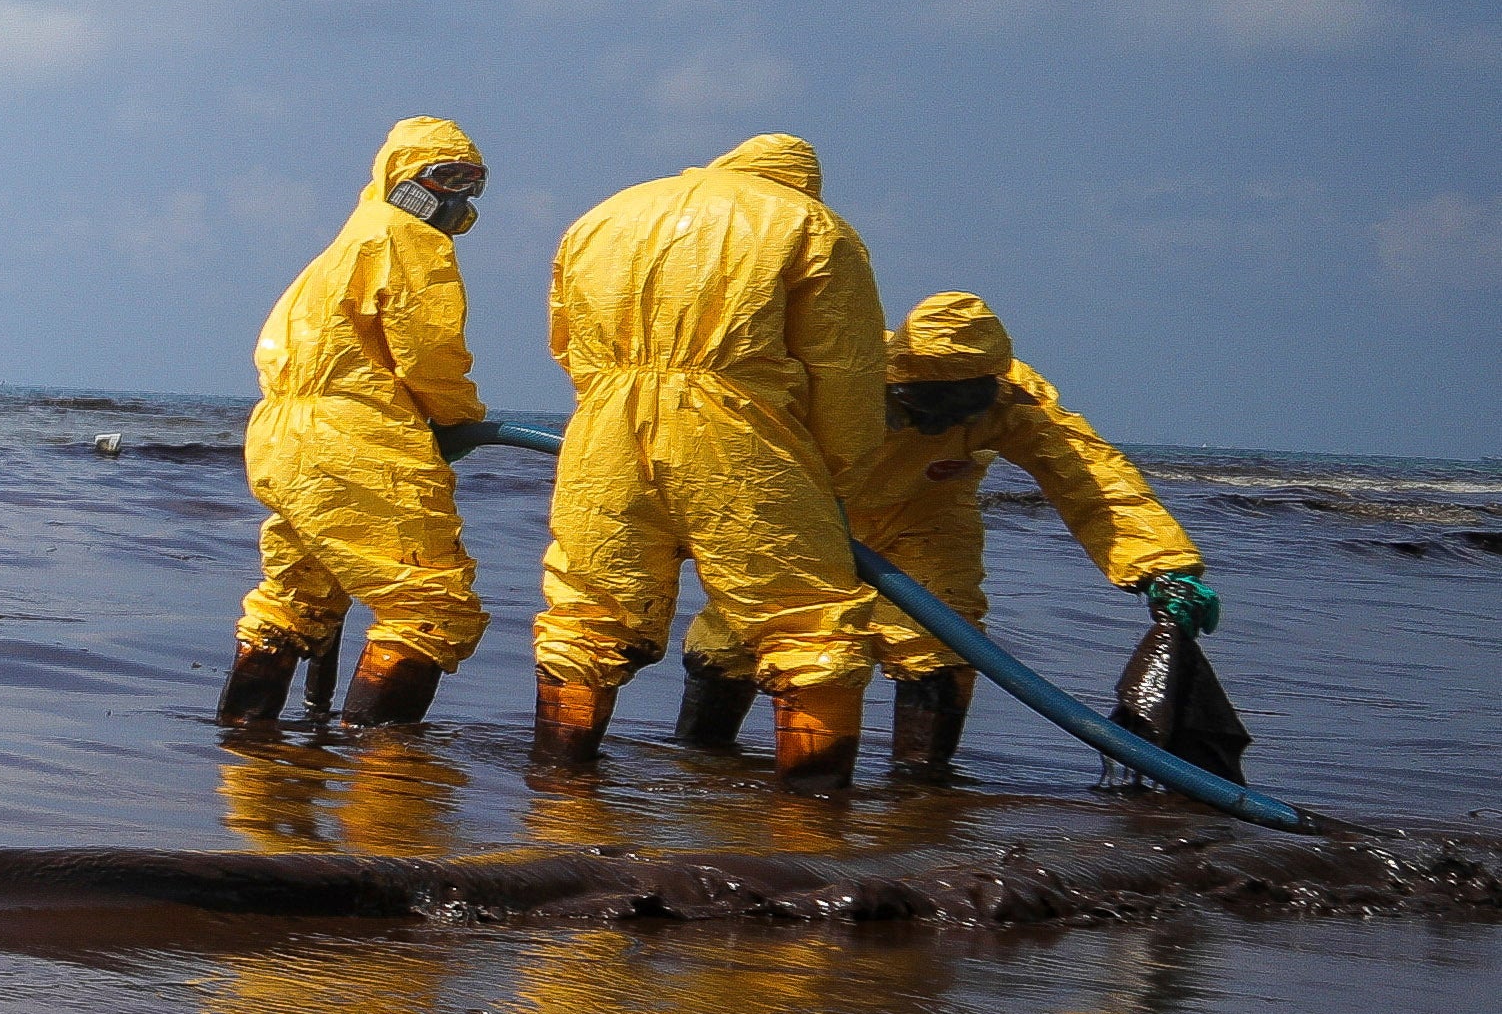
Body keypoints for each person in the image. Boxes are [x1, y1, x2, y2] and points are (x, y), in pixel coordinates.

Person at [670, 292, 1214, 772]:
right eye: (925, 406)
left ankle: (922, 787)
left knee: (940, 644)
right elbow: (728, 446)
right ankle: (701, 763)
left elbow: (1089, 479)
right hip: (807, 518)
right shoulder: (838, 375)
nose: (940, 424)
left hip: (924, 522)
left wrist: (1161, 566)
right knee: (737, 636)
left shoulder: (1016, 402)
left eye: (959, 409)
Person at [525, 132, 886, 785]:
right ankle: (812, 840)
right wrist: (833, 479)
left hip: (604, 431)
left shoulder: (606, 215)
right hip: (740, 437)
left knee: (587, 619)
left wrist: (616, 408)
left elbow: (566, 340)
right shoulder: (812, 225)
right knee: (808, 631)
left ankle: (555, 804)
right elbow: (846, 373)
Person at [220, 117, 500, 730]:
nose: (457, 195)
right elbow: (428, 352)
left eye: (470, 182)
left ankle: (249, 755)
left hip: (285, 439)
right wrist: (460, 417)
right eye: (445, 177)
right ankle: (383, 787)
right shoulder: (408, 238)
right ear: (403, 179)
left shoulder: (350, 241)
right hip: (355, 435)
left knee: (298, 596)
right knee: (430, 606)